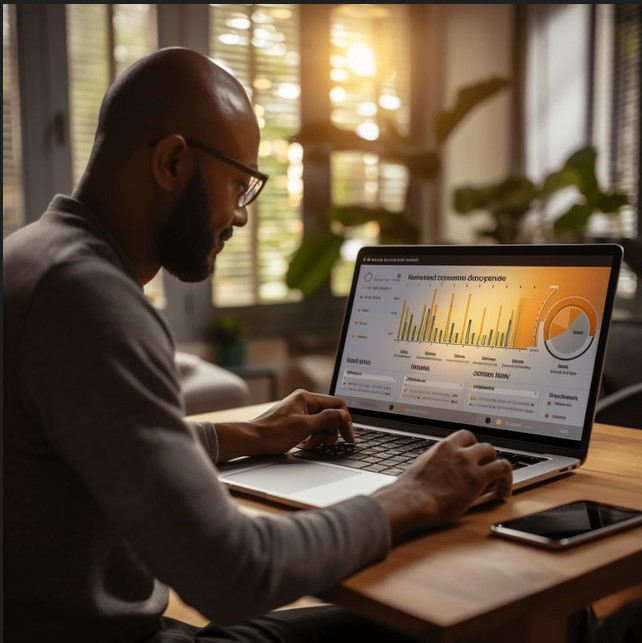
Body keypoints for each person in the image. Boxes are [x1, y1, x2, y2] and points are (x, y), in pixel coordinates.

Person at [3, 47, 513, 643]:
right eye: (238, 185)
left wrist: (247, 435)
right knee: (479, 622)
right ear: (171, 162)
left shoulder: (31, 257)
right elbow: (233, 573)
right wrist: (413, 495)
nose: (240, 217)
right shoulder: (89, 298)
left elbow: (89, 446)